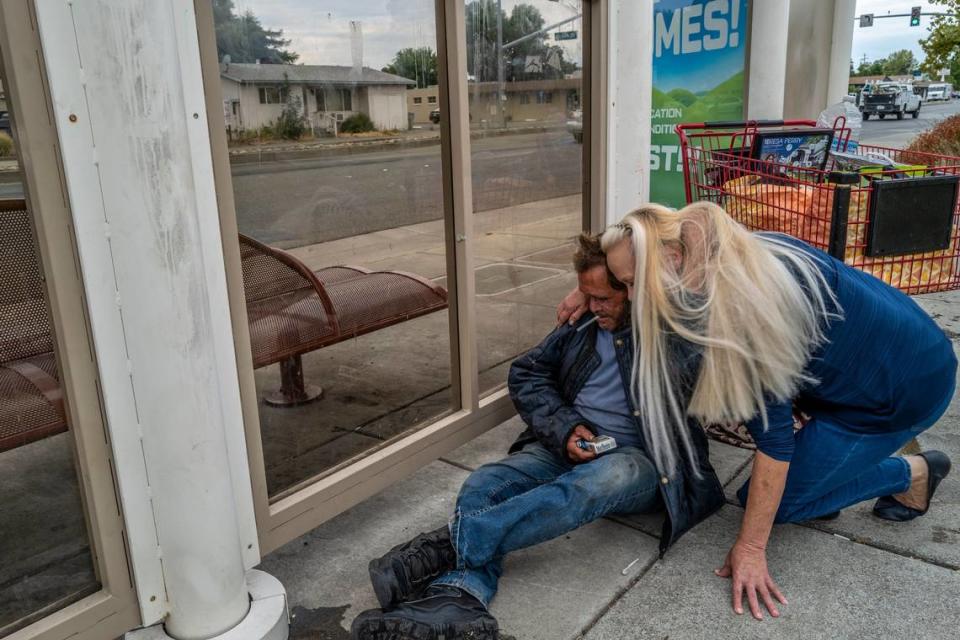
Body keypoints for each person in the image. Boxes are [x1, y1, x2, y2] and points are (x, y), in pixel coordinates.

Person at [566, 201, 955, 622]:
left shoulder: (741, 314)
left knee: (771, 506)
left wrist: (751, 549)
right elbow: (636, 236)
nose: (631, 295)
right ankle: (825, 483)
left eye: (631, 282)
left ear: (673, 260)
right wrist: (588, 290)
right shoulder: (710, 249)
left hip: (898, 395)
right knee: (779, 490)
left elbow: (774, 442)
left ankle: (912, 473)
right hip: (901, 348)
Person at [350, 233, 725, 640]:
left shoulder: (668, 332)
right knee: (485, 483)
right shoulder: (583, 322)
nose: (594, 306)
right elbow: (528, 372)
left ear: (633, 287)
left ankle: (450, 544)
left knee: (604, 478)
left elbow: (687, 254)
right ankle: (458, 598)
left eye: (604, 297)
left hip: (642, 462)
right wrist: (563, 429)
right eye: (587, 294)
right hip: (569, 448)